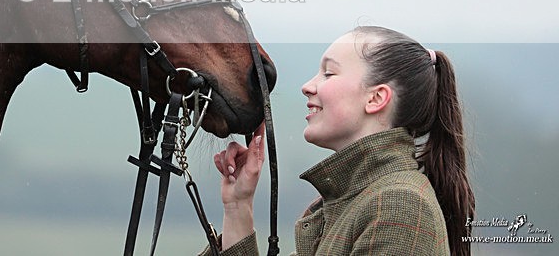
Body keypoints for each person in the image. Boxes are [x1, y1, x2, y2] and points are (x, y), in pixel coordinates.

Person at [200, 26, 475, 256]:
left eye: (329, 73)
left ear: (376, 98)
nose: (307, 85)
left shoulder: (397, 206)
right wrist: (238, 207)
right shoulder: (361, 199)